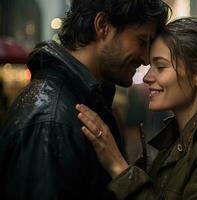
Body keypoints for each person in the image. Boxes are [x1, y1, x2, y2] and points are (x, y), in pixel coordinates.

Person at [0, 0, 170, 199]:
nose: (146, 58)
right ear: (102, 26)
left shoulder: (84, 101)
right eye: (142, 41)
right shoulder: (51, 121)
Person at [76, 17, 197, 199]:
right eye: (150, 66)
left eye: (161, 66)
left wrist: (118, 166)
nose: (147, 77)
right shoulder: (173, 140)